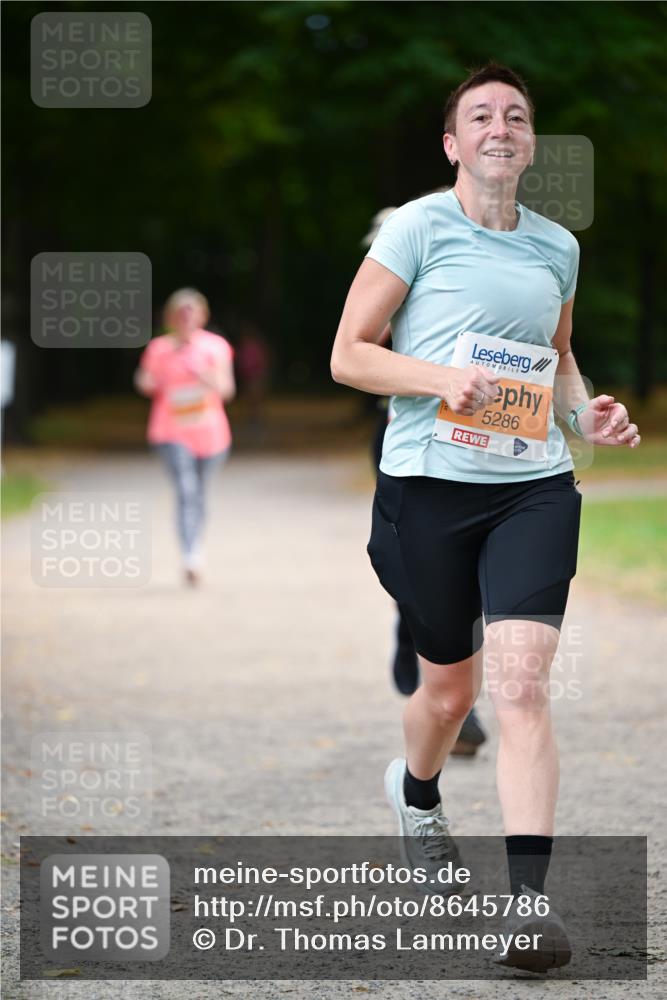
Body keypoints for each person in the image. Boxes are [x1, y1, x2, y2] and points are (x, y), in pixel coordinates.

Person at [331, 62, 640, 972]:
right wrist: (439, 380)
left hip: (531, 486)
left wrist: (586, 416)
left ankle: (527, 909)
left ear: (528, 142)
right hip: (427, 487)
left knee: (519, 687)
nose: (499, 126)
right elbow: (350, 354)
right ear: (452, 143)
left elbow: (559, 360)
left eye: (514, 115)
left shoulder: (556, 247)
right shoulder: (416, 228)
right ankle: (417, 795)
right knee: (447, 693)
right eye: (480, 116)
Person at [363, 207, 488, 755]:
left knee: (478, 571)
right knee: (427, 566)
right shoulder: (386, 278)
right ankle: (409, 625)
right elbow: (360, 346)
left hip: (484, 441)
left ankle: (465, 706)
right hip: (406, 439)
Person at [134, 288, 236, 586]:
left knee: (200, 494)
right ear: (171, 317)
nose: (186, 318)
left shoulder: (216, 347)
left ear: (203, 315)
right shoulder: (159, 348)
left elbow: (227, 390)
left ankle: (195, 545)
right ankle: (190, 555)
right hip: (171, 431)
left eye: (192, 312)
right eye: (180, 313)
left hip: (211, 433)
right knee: (186, 490)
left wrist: (201, 371)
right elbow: (144, 380)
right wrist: (151, 380)